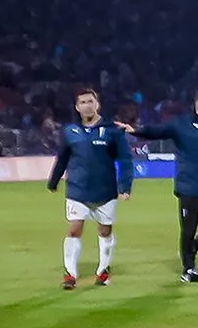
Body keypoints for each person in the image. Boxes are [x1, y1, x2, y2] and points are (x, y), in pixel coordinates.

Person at [131, 89, 198, 283]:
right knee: (188, 230)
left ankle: (192, 249)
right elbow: (157, 131)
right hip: (189, 189)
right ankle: (189, 269)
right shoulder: (181, 125)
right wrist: (135, 130)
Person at [45, 87, 136, 289]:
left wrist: (125, 186)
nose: (87, 106)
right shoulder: (70, 131)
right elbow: (63, 158)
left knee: (105, 231)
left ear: (98, 104)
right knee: (75, 229)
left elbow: (126, 160)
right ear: (77, 107)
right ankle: (70, 275)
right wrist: (54, 180)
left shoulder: (113, 130)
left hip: (105, 190)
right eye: (83, 103)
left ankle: (103, 271)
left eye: (90, 101)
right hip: (77, 189)